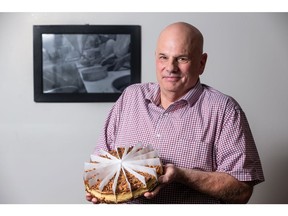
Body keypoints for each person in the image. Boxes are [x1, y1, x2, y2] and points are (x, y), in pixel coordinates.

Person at [86, 22, 264, 204]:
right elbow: (100, 162)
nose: (170, 67)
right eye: (163, 57)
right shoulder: (131, 97)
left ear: (201, 63)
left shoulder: (224, 109)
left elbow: (242, 190)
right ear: (156, 57)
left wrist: (181, 175)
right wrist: (100, 187)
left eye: (182, 59)